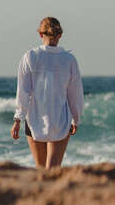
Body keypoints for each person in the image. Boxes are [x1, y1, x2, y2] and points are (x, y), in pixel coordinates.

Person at [11, 17, 84, 169]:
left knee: (41, 169)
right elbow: (75, 93)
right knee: (53, 170)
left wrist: (18, 119)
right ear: (60, 35)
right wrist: (76, 119)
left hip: (34, 120)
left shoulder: (30, 57)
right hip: (60, 121)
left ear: (40, 35)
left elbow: (23, 92)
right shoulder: (69, 60)